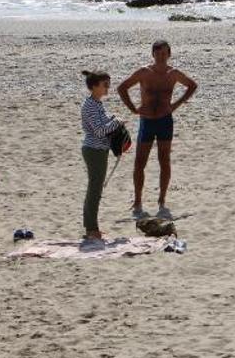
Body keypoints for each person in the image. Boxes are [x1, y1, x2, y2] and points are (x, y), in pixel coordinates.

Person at [117, 40, 197, 219]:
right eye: (158, 53)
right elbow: (122, 88)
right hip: (147, 121)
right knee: (140, 162)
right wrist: (133, 108)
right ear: (152, 54)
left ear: (169, 54)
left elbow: (192, 85)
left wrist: (176, 104)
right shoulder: (144, 72)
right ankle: (138, 202)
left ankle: (162, 200)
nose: (161, 56)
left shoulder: (173, 73)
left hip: (165, 121)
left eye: (164, 53)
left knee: (164, 160)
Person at [80, 70, 124, 240]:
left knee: (96, 189)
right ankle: (91, 229)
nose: (108, 87)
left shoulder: (96, 103)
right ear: (94, 86)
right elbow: (99, 131)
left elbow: (104, 122)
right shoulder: (90, 105)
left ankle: (92, 228)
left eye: (108, 84)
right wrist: (116, 122)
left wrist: (114, 120)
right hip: (94, 151)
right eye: (104, 84)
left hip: (99, 150)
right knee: (94, 190)